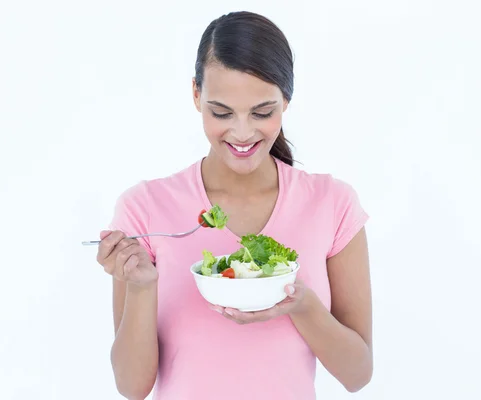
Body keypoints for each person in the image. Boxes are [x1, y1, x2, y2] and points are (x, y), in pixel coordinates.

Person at [96, 11, 372, 400]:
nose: (242, 133)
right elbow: (131, 387)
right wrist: (141, 288)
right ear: (196, 94)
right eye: (221, 112)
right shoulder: (144, 208)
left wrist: (301, 304)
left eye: (262, 112)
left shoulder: (332, 204)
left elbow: (358, 374)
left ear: (286, 99)